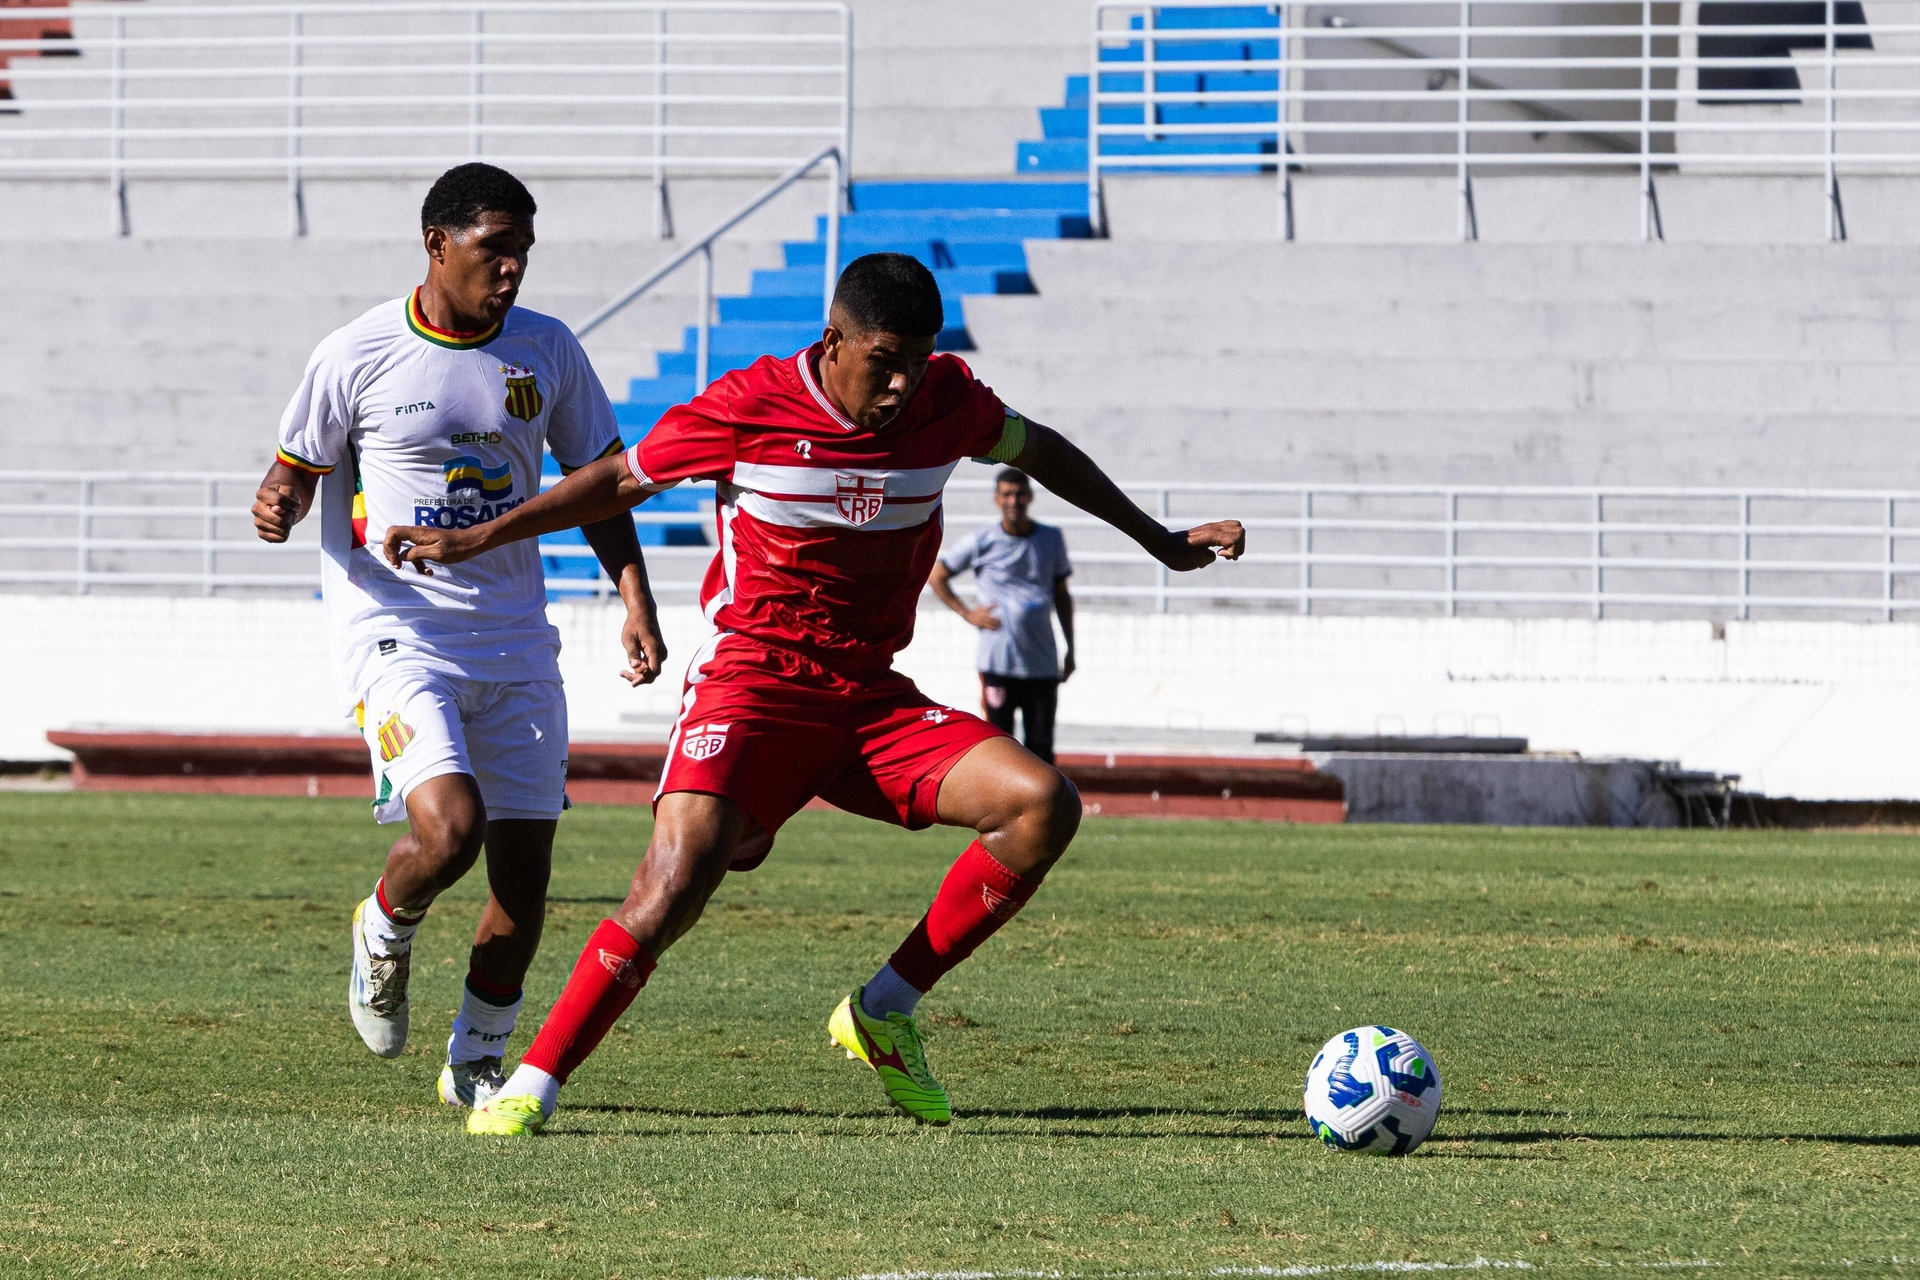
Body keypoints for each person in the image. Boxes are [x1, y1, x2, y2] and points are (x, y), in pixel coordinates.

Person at [381, 252, 1245, 1137]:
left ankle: (885, 1008)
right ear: (834, 341)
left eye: (919, 359)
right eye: (885, 360)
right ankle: (534, 1081)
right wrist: (483, 535)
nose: (905, 382)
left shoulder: (951, 399)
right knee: (676, 879)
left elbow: (1043, 449)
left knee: (1041, 805)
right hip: (751, 686)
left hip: (870, 700)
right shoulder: (748, 405)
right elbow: (617, 478)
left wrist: (1156, 538)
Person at [251, 162, 663, 1111]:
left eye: (522, 251)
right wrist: (279, 501)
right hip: (395, 627)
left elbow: (599, 480)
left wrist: (635, 599)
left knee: (525, 878)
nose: (512, 269)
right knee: (453, 831)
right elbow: (293, 471)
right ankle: (385, 926)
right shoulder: (354, 353)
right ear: (437, 244)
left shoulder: (548, 350)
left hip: (516, 637)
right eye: (494, 249)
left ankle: (476, 1056)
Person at [930, 467, 1074, 764]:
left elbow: (1061, 595)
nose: (1014, 501)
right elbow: (937, 575)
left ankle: (1045, 808)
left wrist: (1070, 648)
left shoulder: (1051, 538)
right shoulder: (982, 540)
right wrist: (968, 614)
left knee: (1041, 746)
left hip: (1041, 663)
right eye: (1007, 494)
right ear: (996, 499)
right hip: (998, 661)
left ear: (1030, 497)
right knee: (999, 743)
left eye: (1020, 494)